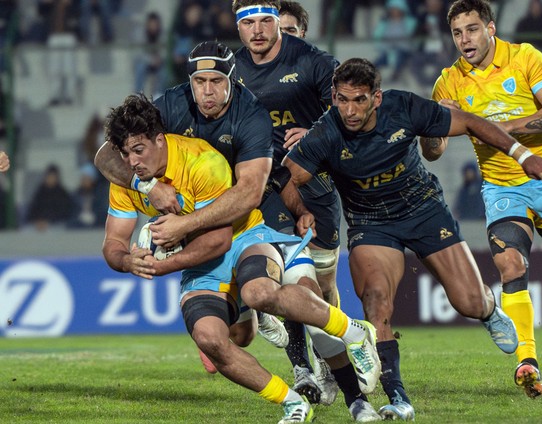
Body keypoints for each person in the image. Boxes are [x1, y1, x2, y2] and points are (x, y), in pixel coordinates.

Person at [94, 39, 372, 421]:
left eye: (215, 81)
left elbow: (242, 203)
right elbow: (106, 164)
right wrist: (130, 253)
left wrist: (170, 246)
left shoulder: (239, 127)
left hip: (248, 224)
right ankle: (294, 400)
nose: (206, 91)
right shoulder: (162, 120)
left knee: (268, 291)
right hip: (200, 240)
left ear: (231, 79)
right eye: (199, 82)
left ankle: (353, 355)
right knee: (220, 339)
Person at [283, 58, 542, 420]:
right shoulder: (325, 132)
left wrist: (523, 156)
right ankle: (399, 397)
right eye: (342, 100)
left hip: (424, 210)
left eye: (360, 100)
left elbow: (471, 122)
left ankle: (489, 311)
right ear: (334, 96)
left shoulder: (405, 107)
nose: (350, 110)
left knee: (469, 302)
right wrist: (301, 211)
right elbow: (289, 177)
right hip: (371, 223)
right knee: (376, 304)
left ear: (377, 98)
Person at [429, 0, 542, 400]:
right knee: (509, 262)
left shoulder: (524, 58)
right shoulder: (448, 82)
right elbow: (432, 152)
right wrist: (434, 123)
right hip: (501, 187)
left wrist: (500, 129)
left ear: (491, 28)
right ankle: (527, 360)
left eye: (471, 29)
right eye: (457, 33)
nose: (464, 40)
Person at [231, 0, 349, 412]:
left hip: (314, 184)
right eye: (253, 22)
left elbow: (349, 107)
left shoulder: (314, 64)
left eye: (279, 26)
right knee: (292, 279)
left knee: (324, 283)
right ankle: (301, 368)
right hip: (265, 187)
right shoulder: (234, 71)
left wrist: (315, 134)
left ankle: (333, 364)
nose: (264, 31)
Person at [25, 163, 74, 231]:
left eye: (53, 176)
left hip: (55, 224)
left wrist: (48, 221)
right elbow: (33, 210)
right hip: (38, 225)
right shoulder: (40, 192)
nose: (50, 179)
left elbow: (64, 213)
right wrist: (37, 221)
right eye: (48, 176)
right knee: (27, 230)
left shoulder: (62, 193)